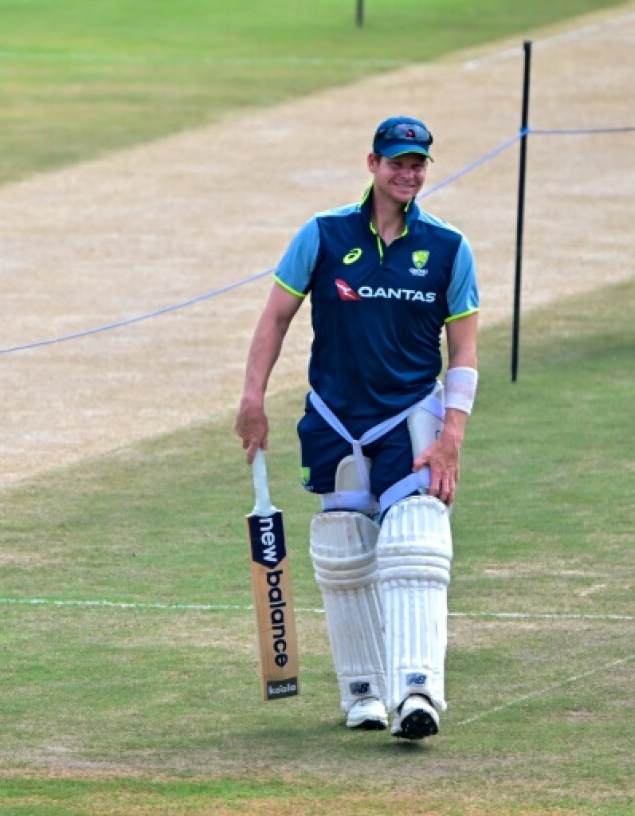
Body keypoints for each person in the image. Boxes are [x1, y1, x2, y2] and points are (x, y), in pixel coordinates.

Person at [234, 116, 479, 740]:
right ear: (373, 164)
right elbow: (276, 317)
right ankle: (364, 694)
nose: (409, 172)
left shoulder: (449, 248)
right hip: (337, 418)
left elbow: (465, 352)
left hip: (410, 417)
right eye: (398, 161)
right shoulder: (322, 235)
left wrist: (452, 435)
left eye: (419, 162)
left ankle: (418, 690)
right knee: (344, 548)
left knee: (416, 542)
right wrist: (252, 398)